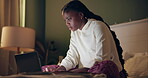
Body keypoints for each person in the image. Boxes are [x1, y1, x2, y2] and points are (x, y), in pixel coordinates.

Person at [43, 0, 127, 78]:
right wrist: (62, 68)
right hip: (86, 71)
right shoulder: (75, 32)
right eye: (65, 20)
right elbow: (72, 55)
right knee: (48, 69)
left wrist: (75, 72)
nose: (67, 23)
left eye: (69, 19)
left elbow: (102, 59)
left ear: (81, 15)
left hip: (106, 70)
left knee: (104, 65)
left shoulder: (97, 26)